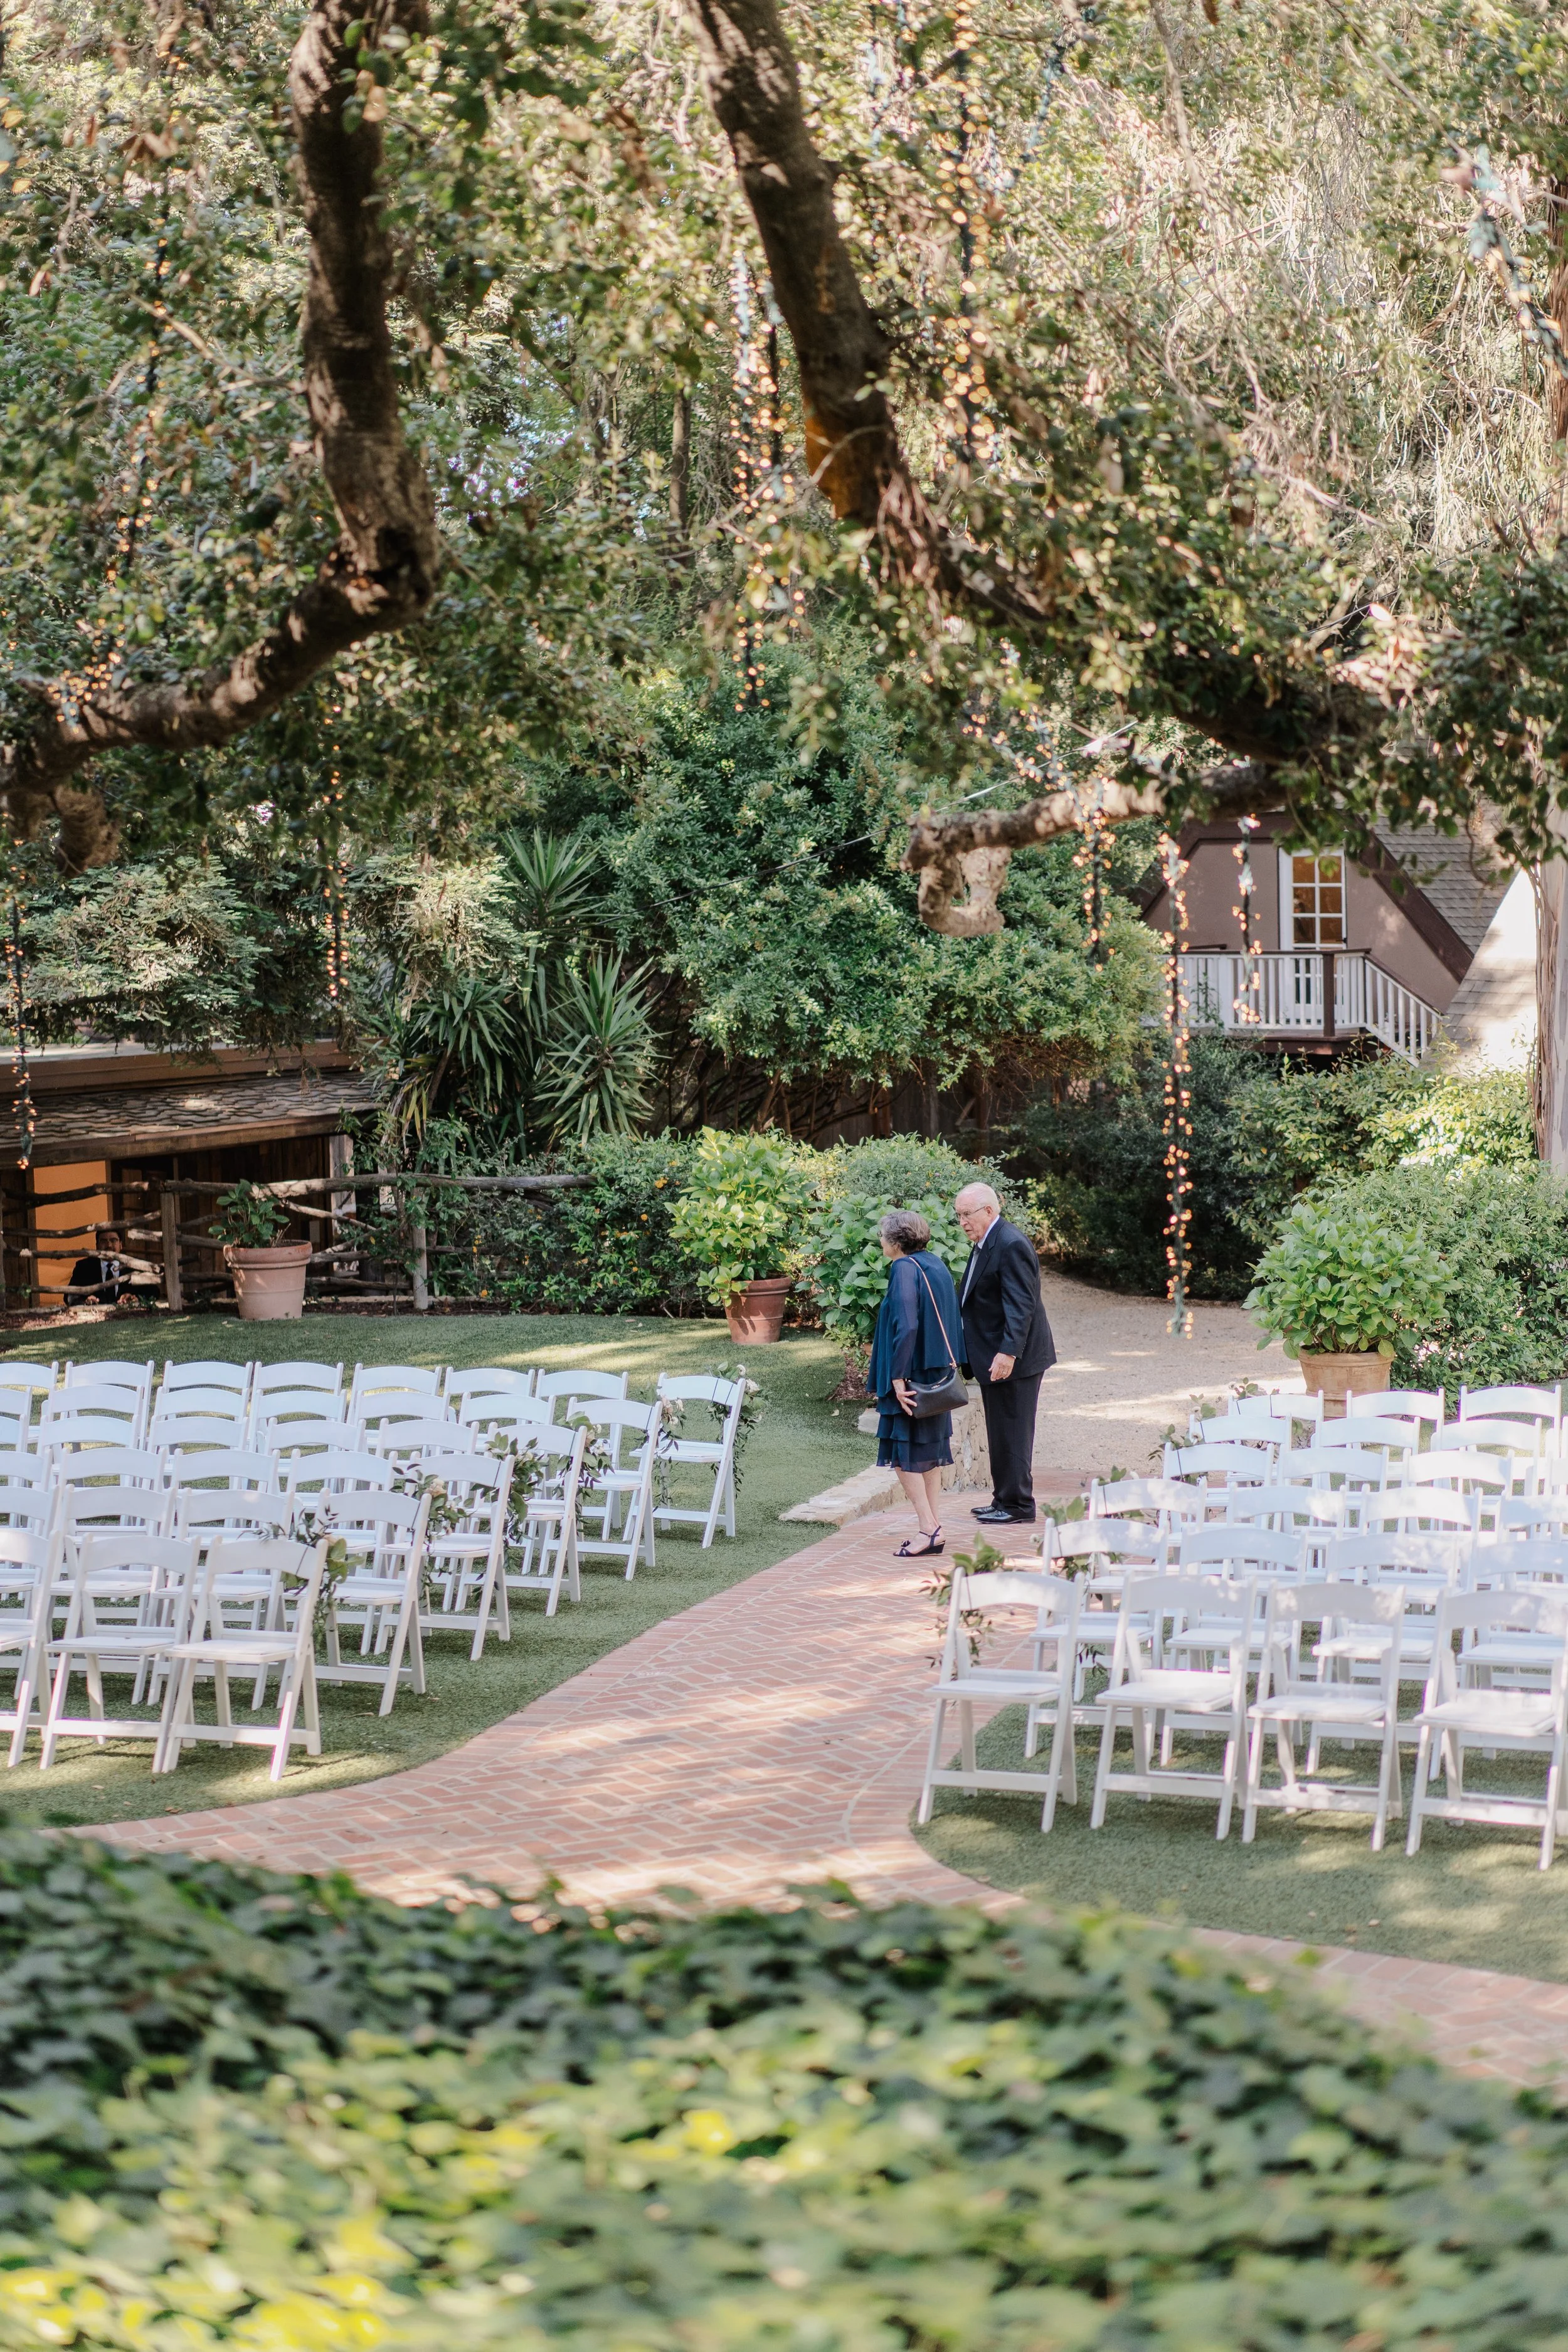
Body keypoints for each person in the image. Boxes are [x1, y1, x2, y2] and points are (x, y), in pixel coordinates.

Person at [953, 1181, 1056, 1525]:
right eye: (959, 1215)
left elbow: (1022, 1305)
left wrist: (1008, 1353)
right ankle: (1003, 1499)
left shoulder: (1010, 1243)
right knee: (1000, 1431)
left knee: (1012, 1431)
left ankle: (1018, 1506)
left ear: (989, 1210)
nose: (962, 1221)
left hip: (1015, 1360)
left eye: (967, 1214)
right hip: (994, 1355)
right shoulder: (986, 1241)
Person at [867, 1207, 965, 1558]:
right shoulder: (934, 1264)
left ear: (895, 1241)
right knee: (928, 1458)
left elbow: (907, 1326)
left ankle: (929, 1528)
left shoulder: (904, 1268)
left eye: (883, 1236)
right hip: (933, 1379)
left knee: (903, 1456)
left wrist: (896, 1377)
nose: (880, 1241)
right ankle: (933, 1528)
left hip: (910, 1381)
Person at [65, 1228, 157, 1310]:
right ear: (97, 1246)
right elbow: (69, 1296)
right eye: (104, 1241)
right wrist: (85, 1301)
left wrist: (136, 1298)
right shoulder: (83, 1267)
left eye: (113, 1240)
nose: (109, 1245)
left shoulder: (134, 1265)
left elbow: (154, 1291)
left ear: (121, 1245)